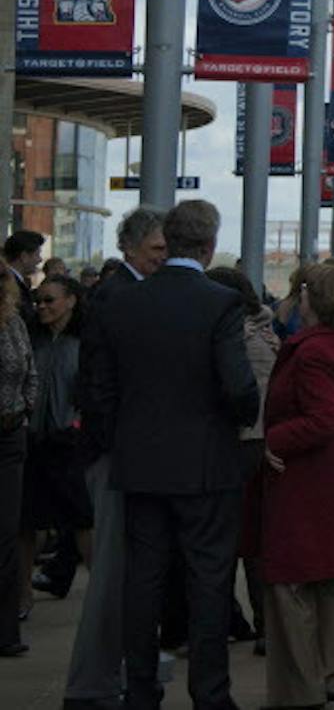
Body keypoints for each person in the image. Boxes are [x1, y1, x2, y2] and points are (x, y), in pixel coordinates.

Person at [84, 197, 258, 710]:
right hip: (206, 463)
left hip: (140, 461)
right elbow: (238, 386)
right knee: (208, 582)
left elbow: (99, 388)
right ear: (208, 245)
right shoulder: (220, 303)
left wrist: (118, 440)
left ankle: (140, 689)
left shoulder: (121, 302)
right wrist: (241, 417)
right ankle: (210, 693)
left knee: (143, 580)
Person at [64, 205, 165, 710]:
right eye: (156, 249)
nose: (162, 258)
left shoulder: (121, 293)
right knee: (110, 572)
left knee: (120, 571)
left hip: (118, 449)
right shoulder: (119, 297)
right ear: (131, 247)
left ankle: (109, 672)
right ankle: (93, 682)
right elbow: (102, 384)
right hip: (116, 454)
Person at [253, 263, 334, 710]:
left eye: (304, 291)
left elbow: (322, 418)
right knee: (328, 580)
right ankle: (329, 676)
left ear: (316, 301)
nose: (299, 296)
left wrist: (272, 440)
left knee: (291, 583)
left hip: (304, 475)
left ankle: (301, 690)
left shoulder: (312, 351)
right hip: (332, 471)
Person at [207, 268, 278, 645]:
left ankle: (236, 620)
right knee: (255, 540)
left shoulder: (236, 336)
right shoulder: (265, 330)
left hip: (240, 440)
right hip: (263, 438)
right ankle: (265, 622)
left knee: (229, 538)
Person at [21, 276, 91, 615]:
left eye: (50, 300)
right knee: (26, 522)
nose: (42, 307)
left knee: (82, 519)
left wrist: (79, 423)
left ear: (71, 300)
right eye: (39, 301)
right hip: (33, 440)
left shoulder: (87, 341)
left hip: (70, 442)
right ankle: (21, 595)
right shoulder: (31, 337)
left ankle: (101, 599)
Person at [0, 257, 38, 657]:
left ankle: (6, 632)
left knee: (7, 533)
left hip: (11, 434)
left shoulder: (14, 323)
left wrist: (26, 406)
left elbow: (30, 370)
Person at [5, 228, 45, 329]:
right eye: (37, 254)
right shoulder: (8, 284)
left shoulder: (13, 281)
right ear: (24, 257)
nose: (40, 259)